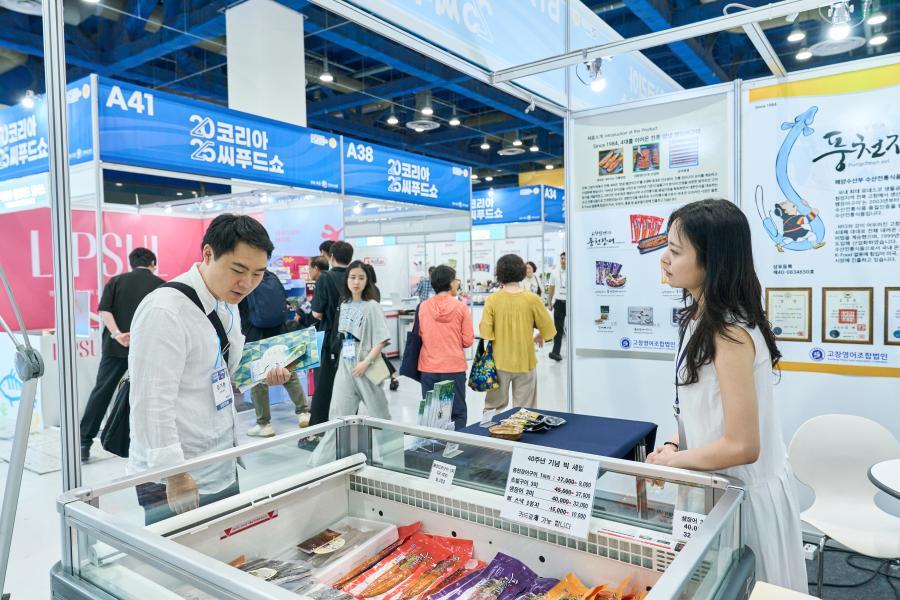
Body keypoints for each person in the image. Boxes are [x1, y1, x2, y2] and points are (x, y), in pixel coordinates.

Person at [647, 199, 807, 591]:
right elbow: (699, 409)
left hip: (740, 496)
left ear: (712, 261)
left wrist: (675, 463)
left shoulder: (729, 331)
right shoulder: (699, 318)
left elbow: (742, 445)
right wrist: (672, 443)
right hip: (713, 486)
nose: (664, 259)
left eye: (676, 250)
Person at [128, 214, 292, 525]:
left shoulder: (227, 303)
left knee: (222, 554)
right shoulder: (164, 311)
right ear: (207, 254)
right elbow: (151, 401)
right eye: (238, 270)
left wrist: (264, 374)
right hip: (176, 475)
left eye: (258, 273)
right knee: (178, 564)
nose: (247, 283)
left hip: (220, 461)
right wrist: (174, 473)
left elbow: (226, 373)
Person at [79, 248, 164, 463]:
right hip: (147, 348)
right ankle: (148, 442)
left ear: (131, 262)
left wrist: (118, 334)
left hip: (115, 347)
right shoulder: (160, 285)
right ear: (153, 262)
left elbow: (104, 310)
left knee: (102, 391)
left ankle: (84, 442)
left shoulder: (115, 281)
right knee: (151, 393)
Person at [479, 254, 556, 412]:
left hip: (498, 361)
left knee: (493, 407)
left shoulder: (492, 300)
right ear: (521, 272)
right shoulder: (532, 299)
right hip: (525, 360)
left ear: (499, 273)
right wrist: (540, 335)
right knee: (525, 408)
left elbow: (485, 332)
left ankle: (490, 435)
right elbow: (549, 329)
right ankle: (522, 435)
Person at [239, 269, 311, 437]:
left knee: (258, 379)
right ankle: (303, 412)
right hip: (279, 331)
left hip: (254, 333)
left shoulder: (245, 279)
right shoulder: (272, 277)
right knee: (289, 372)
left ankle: (264, 424)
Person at [418, 265, 474, 430]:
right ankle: (454, 450)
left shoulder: (423, 307)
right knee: (457, 413)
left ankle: (432, 448)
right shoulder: (461, 307)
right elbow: (468, 341)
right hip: (453, 367)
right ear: (450, 282)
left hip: (428, 368)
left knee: (431, 414)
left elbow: (421, 334)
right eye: (456, 280)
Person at [309, 240, 353, 426]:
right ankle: (348, 420)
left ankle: (320, 426)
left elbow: (317, 312)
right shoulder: (356, 277)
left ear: (331, 257)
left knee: (324, 383)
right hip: (351, 338)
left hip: (328, 338)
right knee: (349, 382)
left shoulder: (325, 278)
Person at [359, 262, 400, 391]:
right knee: (379, 354)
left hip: (369, 327)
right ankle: (392, 376)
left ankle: (390, 376)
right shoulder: (375, 288)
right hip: (377, 326)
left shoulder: (366, 290)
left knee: (376, 355)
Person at [546, 252, 567, 362]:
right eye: (562, 258)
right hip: (558, 303)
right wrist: (549, 303)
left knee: (574, 329)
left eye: (565, 258)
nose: (563, 260)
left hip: (571, 303)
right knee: (558, 329)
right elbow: (551, 289)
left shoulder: (574, 272)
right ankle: (556, 352)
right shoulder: (554, 273)